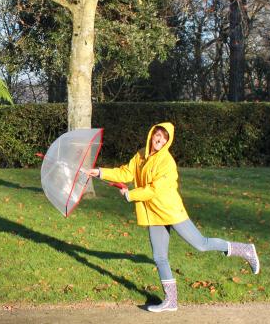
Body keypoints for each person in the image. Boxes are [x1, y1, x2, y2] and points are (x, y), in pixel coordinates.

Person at [86, 122, 259, 312]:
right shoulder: (142, 154)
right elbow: (126, 172)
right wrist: (101, 172)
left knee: (201, 244)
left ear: (168, 141)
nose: (159, 139)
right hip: (154, 213)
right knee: (160, 257)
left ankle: (245, 250)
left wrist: (131, 195)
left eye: (164, 137)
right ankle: (171, 301)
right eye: (157, 135)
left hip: (170, 211)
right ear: (151, 134)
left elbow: (154, 189)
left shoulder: (166, 162)